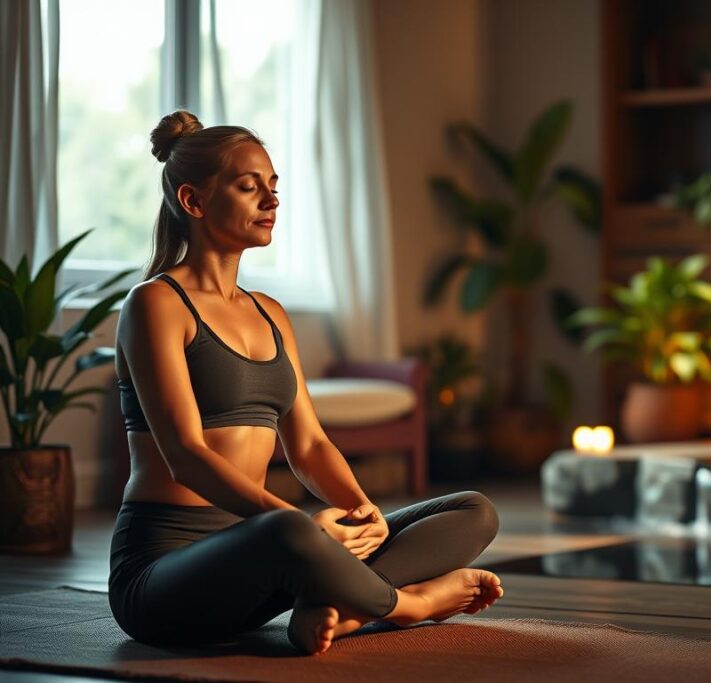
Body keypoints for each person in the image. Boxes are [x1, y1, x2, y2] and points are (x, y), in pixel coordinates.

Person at [108, 110, 503, 656]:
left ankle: (335, 608)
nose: (271, 201)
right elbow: (186, 454)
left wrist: (366, 519)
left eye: (273, 186)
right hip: (164, 577)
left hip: (272, 558)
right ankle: (410, 606)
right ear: (193, 201)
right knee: (291, 529)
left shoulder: (270, 313)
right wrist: (308, 532)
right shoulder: (154, 304)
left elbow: (311, 446)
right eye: (250, 187)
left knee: (472, 510)